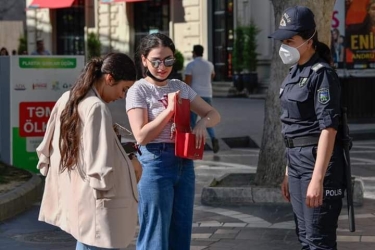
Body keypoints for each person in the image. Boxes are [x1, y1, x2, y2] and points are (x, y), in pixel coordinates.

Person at [36, 53, 141, 250]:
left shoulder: (67, 98)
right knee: (97, 241)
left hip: (77, 196)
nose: (122, 96)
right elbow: (100, 166)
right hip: (98, 204)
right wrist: (130, 165)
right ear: (109, 79)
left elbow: (49, 146)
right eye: (123, 89)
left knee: (86, 241)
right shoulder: (96, 108)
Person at [126, 33, 221, 250]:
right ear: (143, 60)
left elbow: (214, 114)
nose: (162, 66)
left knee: (181, 231)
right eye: (156, 61)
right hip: (155, 162)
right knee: (155, 236)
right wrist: (169, 111)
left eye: (168, 60)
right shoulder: (138, 90)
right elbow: (141, 136)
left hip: (184, 162)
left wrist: (201, 124)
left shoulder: (180, 86)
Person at [269, 6, 345, 250]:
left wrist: (318, 179)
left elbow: (328, 129)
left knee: (319, 240)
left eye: (291, 40)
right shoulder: (293, 73)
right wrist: (289, 171)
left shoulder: (322, 75)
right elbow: (294, 127)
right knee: (305, 236)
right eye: (283, 40)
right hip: (297, 163)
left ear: (310, 39)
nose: (285, 46)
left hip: (317, 164)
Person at [184, 44, 220, 153]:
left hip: (195, 96)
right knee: (207, 118)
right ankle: (214, 138)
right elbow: (212, 76)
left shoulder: (191, 65)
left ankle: (193, 143)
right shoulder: (209, 64)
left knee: (192, 121)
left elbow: (187, 81)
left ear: (194, 53)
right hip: (207, 93)